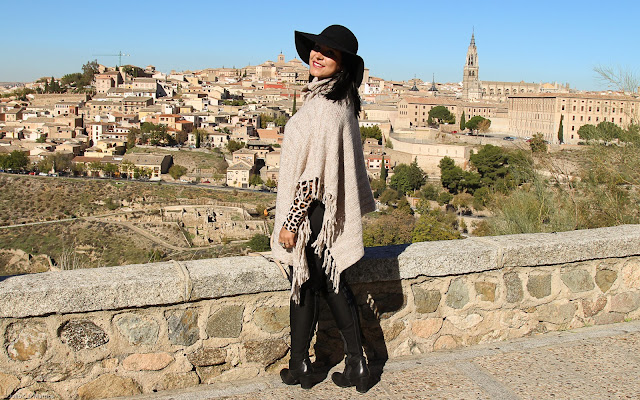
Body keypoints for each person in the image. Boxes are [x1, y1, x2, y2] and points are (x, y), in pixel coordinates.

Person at [270, 25, 375, 393]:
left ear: (342, 63)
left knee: (321, 285)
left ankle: (341, 364)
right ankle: (307, 364)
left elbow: (312, 179)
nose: (317, 55)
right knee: (314, 285)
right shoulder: (337, 100)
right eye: (317, 48)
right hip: (321, 213)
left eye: (328, 52)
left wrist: (290, 222)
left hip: (313, 214)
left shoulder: (326, 106)